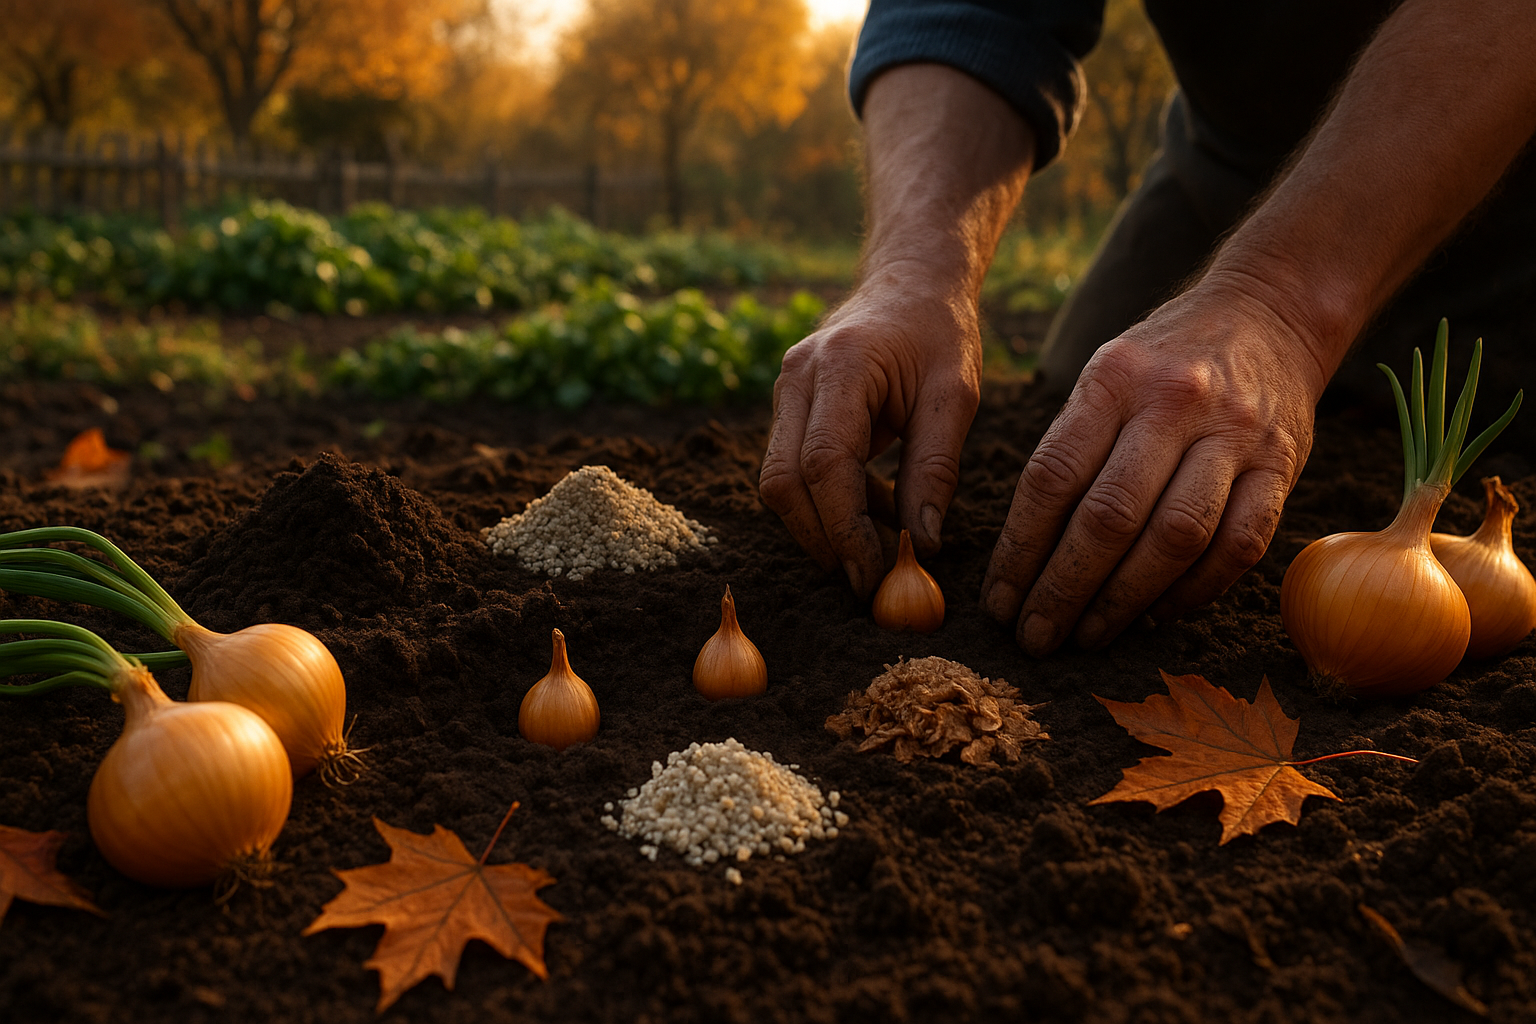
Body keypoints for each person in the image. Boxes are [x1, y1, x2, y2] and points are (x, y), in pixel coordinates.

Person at [758, 0, 1536, 657]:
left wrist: (1277, 303)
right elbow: (972, 8)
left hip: (1509, 171)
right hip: (1236, 164)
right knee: (1084, 413)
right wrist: (916, 269)